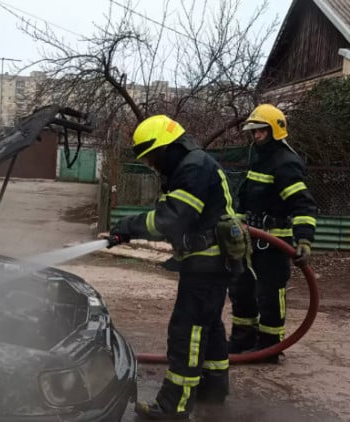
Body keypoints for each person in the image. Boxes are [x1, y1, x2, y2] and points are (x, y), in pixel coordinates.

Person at [108, 115, 235, 420]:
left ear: (168, 148)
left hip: (207, 262)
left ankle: (173, 405)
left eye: (152, 157)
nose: (151, 164)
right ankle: (213, 389)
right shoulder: (193, 164)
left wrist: (127, 227)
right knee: (209, 326)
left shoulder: (193, 168)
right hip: (213, 262)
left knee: (186, 331)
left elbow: (170, 220)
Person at [228, 104, 317, 361]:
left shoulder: (286, 163)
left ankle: (269, 346)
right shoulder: (258, 158)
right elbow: (248, 200)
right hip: (250, 238)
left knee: (269, 292)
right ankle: (243, 338)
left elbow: (303, 205)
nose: (255, 136)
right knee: (241, 287)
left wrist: (303, 240)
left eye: (260, 132)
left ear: (275, 131)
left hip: (274, 242)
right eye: (253, 132)